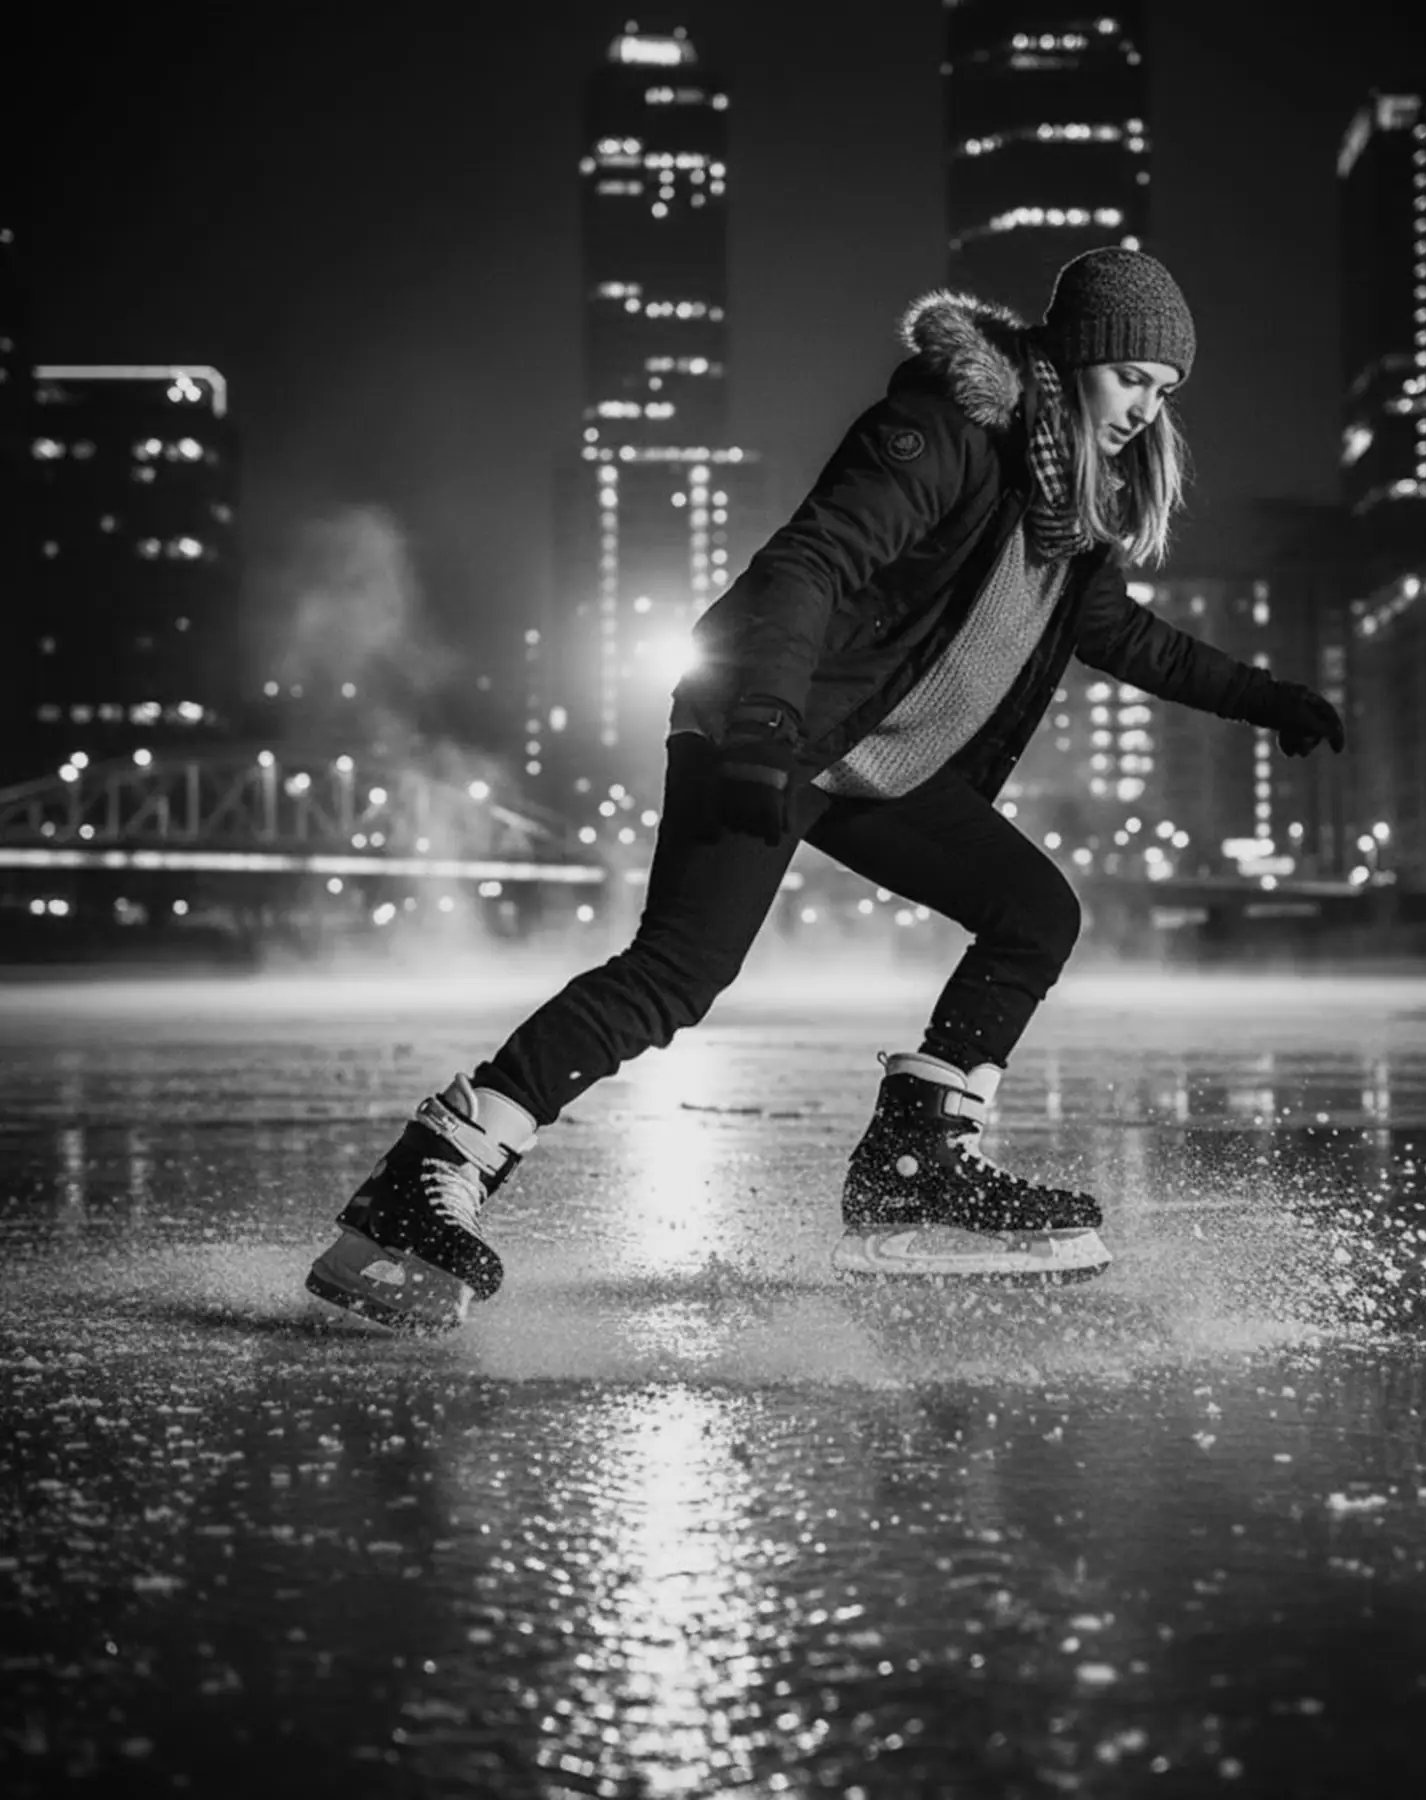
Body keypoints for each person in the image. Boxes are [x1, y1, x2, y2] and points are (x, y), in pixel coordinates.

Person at [306, 247, 1345, 1331]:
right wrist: (763, 727)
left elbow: (1120, 634)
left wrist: (1262, 698)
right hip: (769, 724)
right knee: (676, 973)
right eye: (1130, 376)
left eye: (1163, 391)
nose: (1143, 409)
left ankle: (914, 1168)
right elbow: (810, 563)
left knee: (1033, 912)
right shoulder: (946, 430)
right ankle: (429, 1174)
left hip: (875, 762)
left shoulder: (1065, 507)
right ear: (1077, 353)